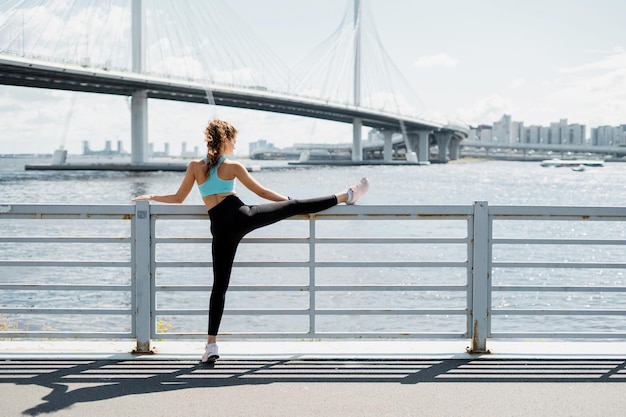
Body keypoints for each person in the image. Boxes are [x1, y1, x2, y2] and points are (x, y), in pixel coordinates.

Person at [132, 119, 369, 364]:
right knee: (297, 204)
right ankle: (347, 195)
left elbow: (178, 198)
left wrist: (150, 196)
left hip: (220, 229)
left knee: (219, 287)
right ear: (226, 140)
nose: (235, 145)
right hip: (242, 216)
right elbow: (263, 193)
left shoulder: (195, 166)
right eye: (234, 140)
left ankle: (211, 345)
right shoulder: (233, 167)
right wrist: (287, 205)